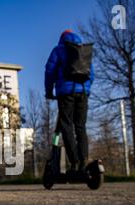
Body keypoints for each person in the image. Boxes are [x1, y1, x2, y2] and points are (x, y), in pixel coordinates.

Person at [45, 30, 94, 173]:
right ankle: (84, 161)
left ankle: (74, 162)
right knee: (80, 126)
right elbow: (92, 74)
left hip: (65, 94)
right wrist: (85, 88)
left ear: (62, 38)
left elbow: (49, 71)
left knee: (66, 126)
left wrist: (49, 92)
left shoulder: (59, 50)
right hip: (83, 93)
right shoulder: (83, 50)